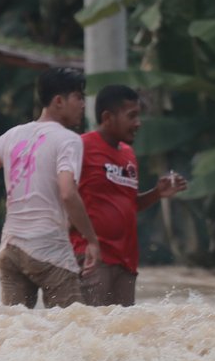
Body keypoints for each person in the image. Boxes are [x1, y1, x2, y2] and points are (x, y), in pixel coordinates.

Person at [0, 67, 100, 308]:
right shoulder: (68, 140)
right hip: (49, 249)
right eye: (78, 97)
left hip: (11, 250)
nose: (83, 105)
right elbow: (68, 193)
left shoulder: (12, 136)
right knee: (71, 331)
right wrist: (91, 239)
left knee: (18, 334)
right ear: (59, 101)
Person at [70, 84, 188, 307]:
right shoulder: (80, 147)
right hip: (92, 259)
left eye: (139, 116)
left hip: (126, 262)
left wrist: (156, 193)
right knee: (89, 331)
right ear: (107, 117)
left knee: (121, 334)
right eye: (132, 116)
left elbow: (127, 205)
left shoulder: (128, 154)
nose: (138, 123)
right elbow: (63, 194)